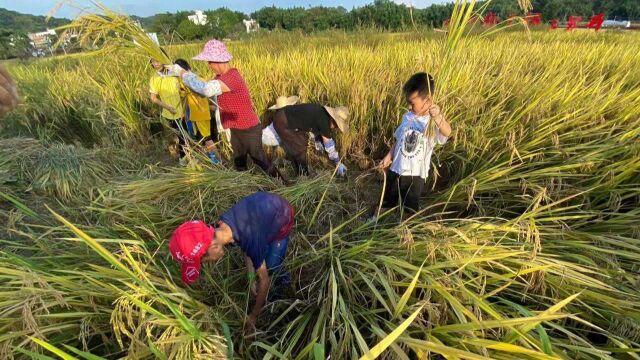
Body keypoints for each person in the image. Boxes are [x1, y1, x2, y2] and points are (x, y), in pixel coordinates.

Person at [169, 192, 294, 335]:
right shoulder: (224, 225)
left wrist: (253, 316)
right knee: (259, 253)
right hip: (262, 211)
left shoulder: (249, 237)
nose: (207, 263)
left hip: (282, 214)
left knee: (272, 266)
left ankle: (284, 283)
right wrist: (251, 278)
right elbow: (247, 248)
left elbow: (264, 282)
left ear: (214, 247)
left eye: (204, 260)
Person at [166, 40, 285, 181]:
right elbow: (202, 92)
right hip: (235, 129)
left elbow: (205, 90)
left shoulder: (232, 77)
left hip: (249, 128)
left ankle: (282, 183)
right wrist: (186, 79)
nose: (209, 65)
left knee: (259, 158)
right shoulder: (220, 78)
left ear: (217, 61)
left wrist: (182, 73)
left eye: (209, 62)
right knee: (239, 160)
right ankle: (243, 184)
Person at [378, 72, 452, 219]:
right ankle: (376, 221)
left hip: (415, 174)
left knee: (409, 208)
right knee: (387, 199)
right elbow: (398, 141)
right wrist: (389, 156)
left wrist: (437, 117)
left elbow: (447, 132)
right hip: (396, 168)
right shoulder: (407, 117)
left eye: (413, 103)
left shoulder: (432, 122)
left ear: (428, 100)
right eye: (408, 103)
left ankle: (405, 232)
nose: (409, 106)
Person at [269, 97, 350, 177]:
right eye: (336, 125)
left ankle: (301, 169)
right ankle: (303, 175)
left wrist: (320, 145)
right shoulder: (324, 122)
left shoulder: (322, 113)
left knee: (303, 139)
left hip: (284, 118)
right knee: (299, 148)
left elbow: (314, 130)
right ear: (332, 118)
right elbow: (329, 145)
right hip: (282, 121)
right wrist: (337, 163)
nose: (335, 128)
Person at [173, 58, 221, 165]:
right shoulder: (199, 79)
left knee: (207, 140)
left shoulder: (185, 82)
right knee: (204, 139)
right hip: (201, 114)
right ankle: (213, 161)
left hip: (200, 115)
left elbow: (182, 98)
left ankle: (218, 162)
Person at [149, 56, 188, 166]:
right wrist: (168, 107)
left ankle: (186, 156)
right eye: (153, 62)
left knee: (185, 135)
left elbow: (184, 92)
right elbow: (153, 98)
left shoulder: (174, 73)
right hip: (170, 113)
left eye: (157, 59)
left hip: (183, 111)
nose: (156, 63)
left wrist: (184, 109)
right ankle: (183, 159)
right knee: (183, 137)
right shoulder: (154, 78)